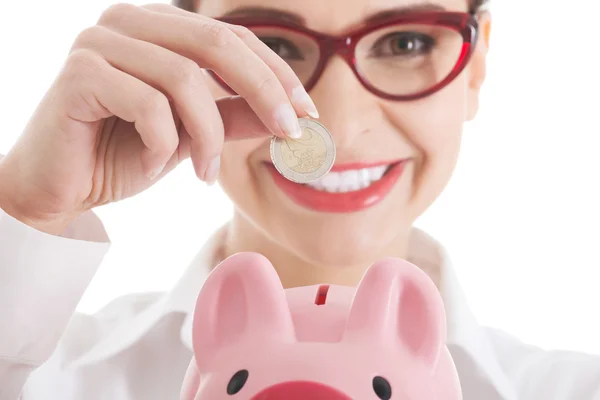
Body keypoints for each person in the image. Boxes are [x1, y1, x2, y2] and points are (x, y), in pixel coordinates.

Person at [0, 0, 599, 398]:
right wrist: (26, 211)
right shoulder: (41, 372)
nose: (336, 123)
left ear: (475, 68)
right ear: (182, 56)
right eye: (273, 48)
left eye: (407, 41)